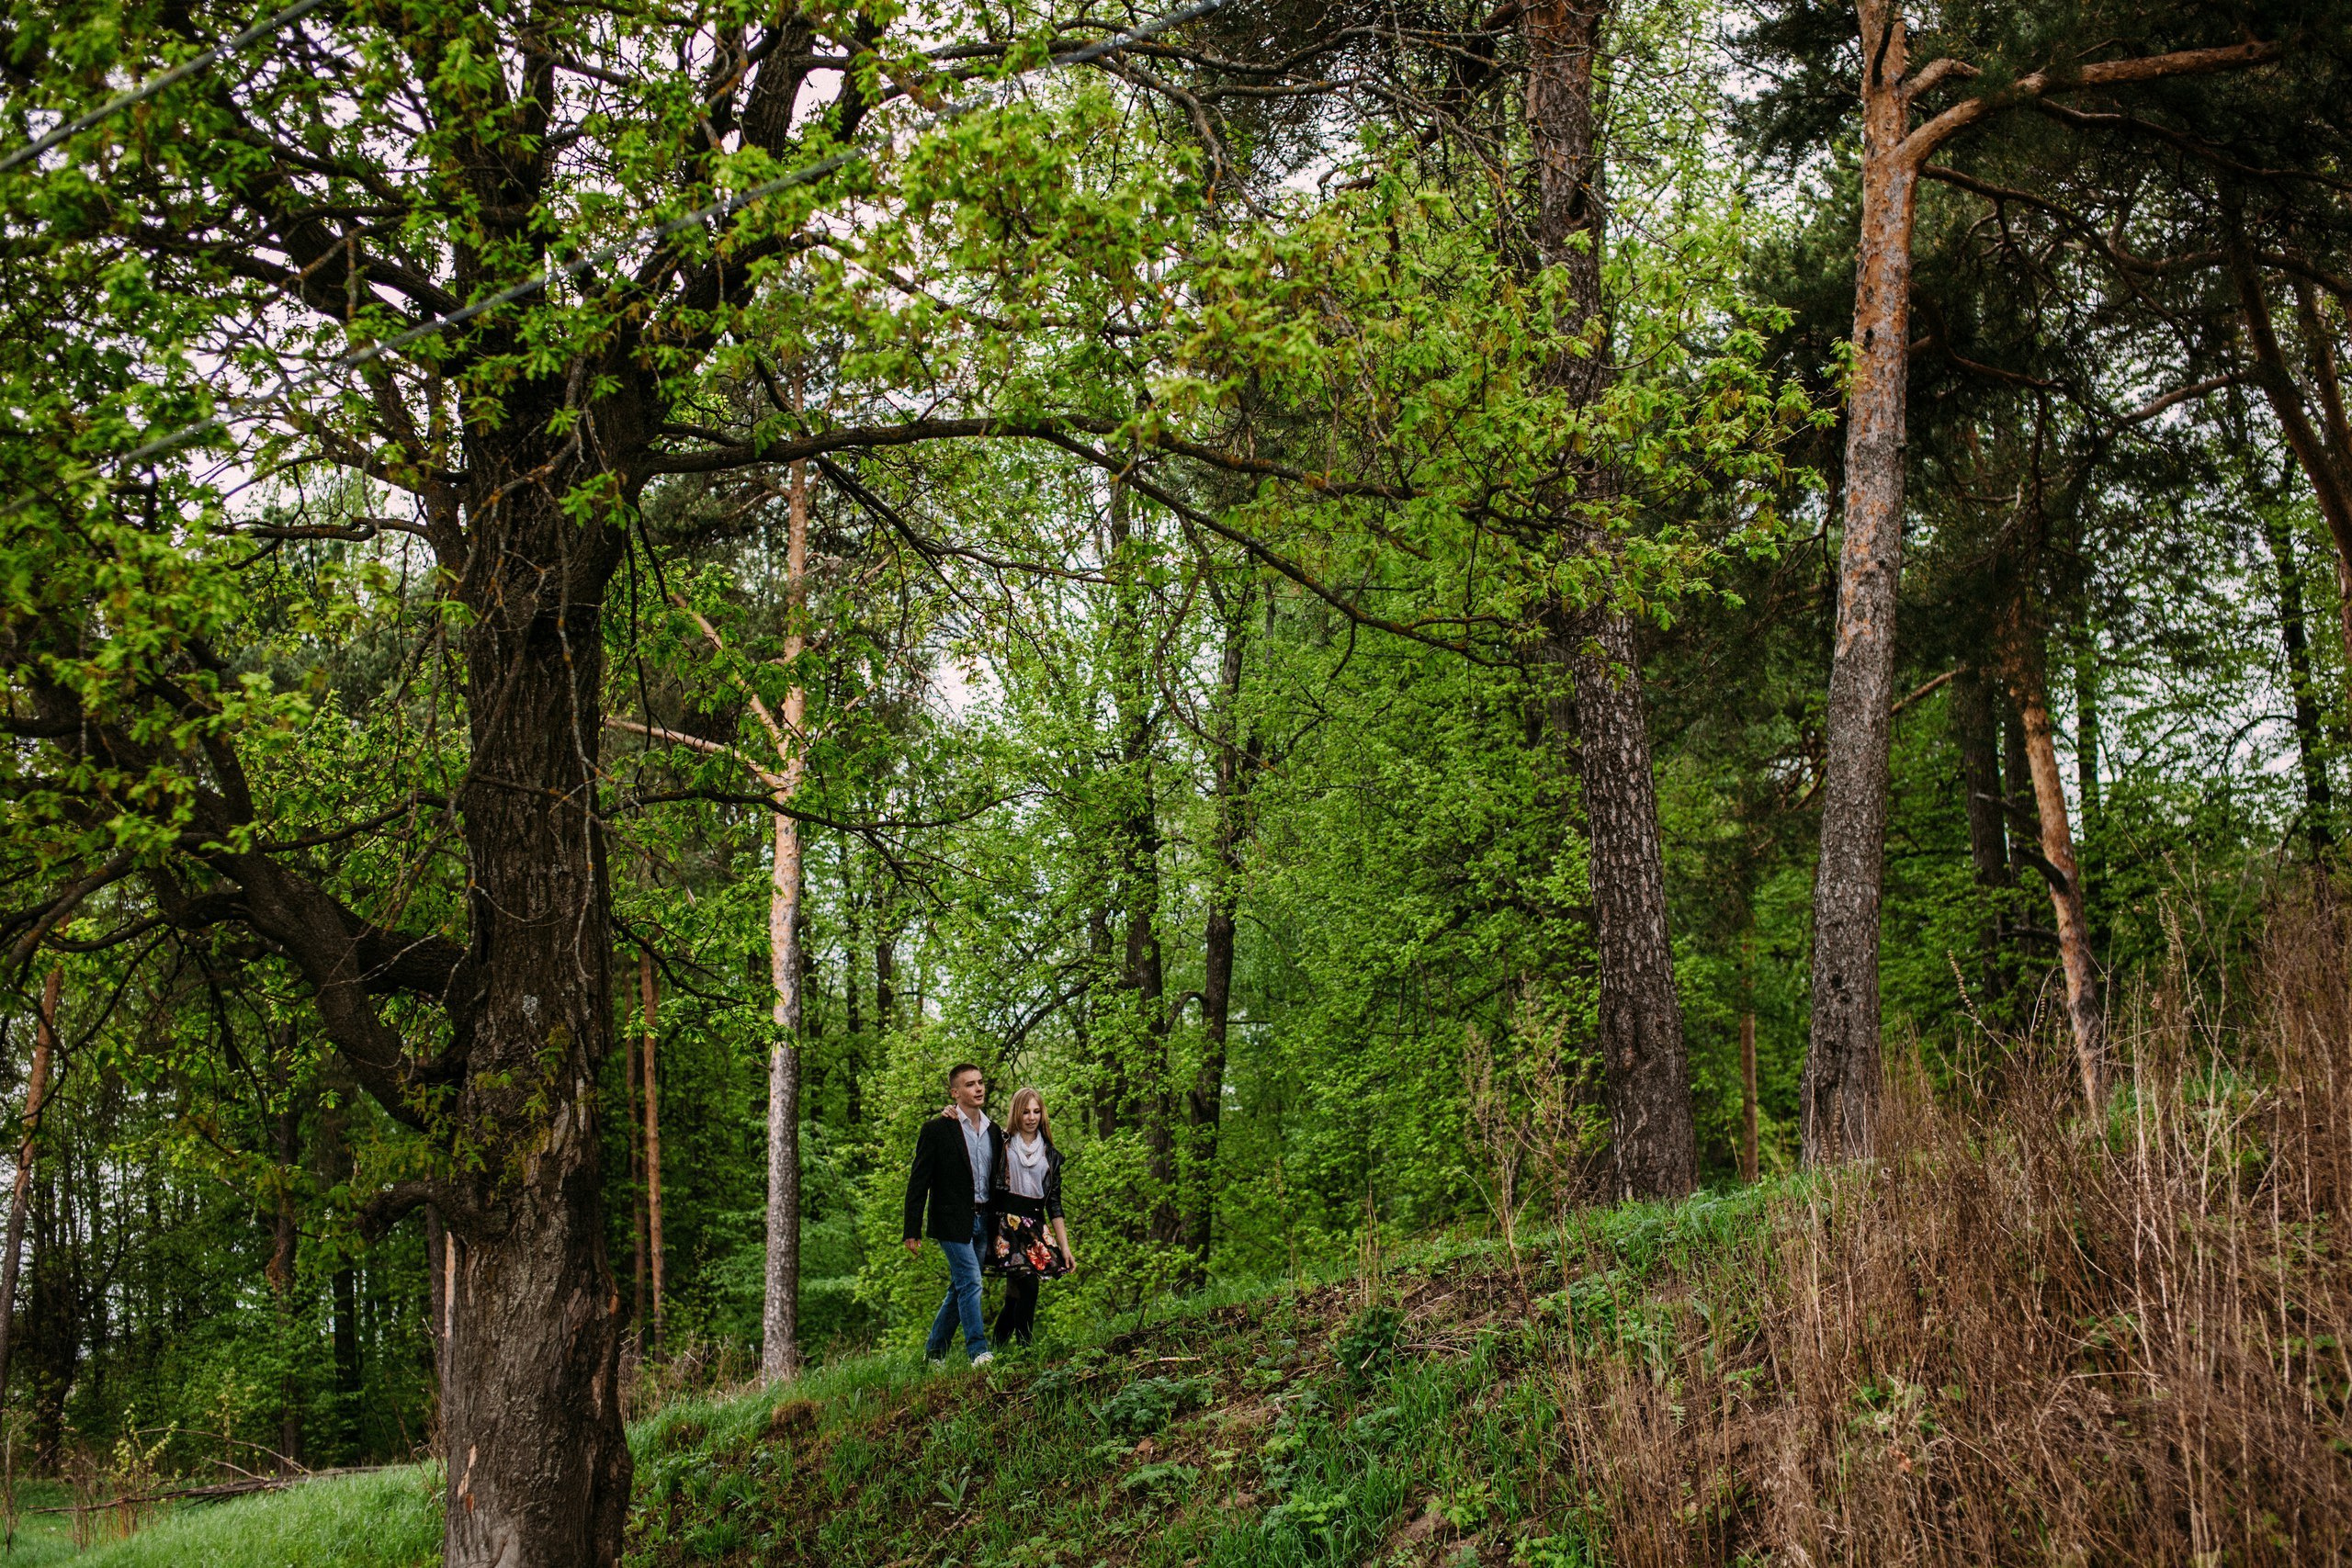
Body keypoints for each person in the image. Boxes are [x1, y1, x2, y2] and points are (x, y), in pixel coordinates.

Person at [902, 1062, 1004, 1367]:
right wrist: (912, 1228)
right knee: (972, 1281)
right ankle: (978, 1351)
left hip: (985, 1220)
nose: (978, 1088)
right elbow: (918, 1180)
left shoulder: (995, 1132)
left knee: (960, 1285)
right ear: (955, 1092)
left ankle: (934, 1353)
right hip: (950, 1221)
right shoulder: (937, 1129)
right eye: (970, 1084)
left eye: (981, 1082)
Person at [985, 1087, 1073, 1347]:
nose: (1031, 1117)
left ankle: (997, 1350)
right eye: (1025, 1111)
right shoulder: (1002, 1144)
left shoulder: (1050, 1155)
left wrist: (1065, 1247)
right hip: (1007, 1226)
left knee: (1015, 1295)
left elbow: (1054, 1205)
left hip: (1034, 1226)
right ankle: (1026, 1349)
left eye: (1036, 1111)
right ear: (1016, 1113)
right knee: (1028, 1287)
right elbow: (973, 1127)